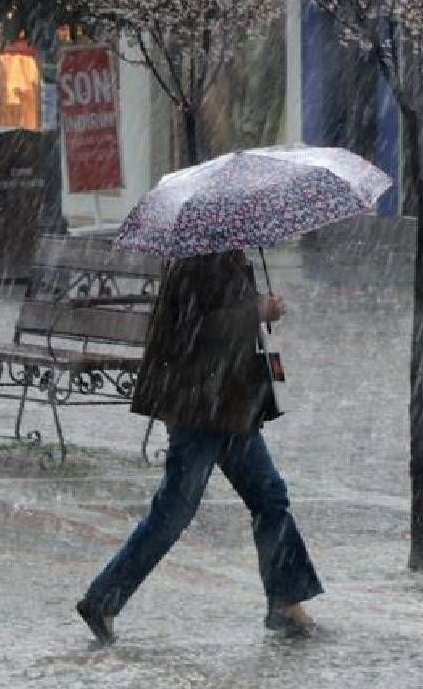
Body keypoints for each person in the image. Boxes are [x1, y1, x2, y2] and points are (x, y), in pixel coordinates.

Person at [76, 250, 322, 643]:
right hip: (199, 409)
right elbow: (195, 331)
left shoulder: (224, 255)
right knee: (174, 511)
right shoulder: (197, 260)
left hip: (229, 407)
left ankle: (286, 603)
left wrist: (256, 310)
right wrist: (255, 311)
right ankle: (103, 600)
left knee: (270, 497)